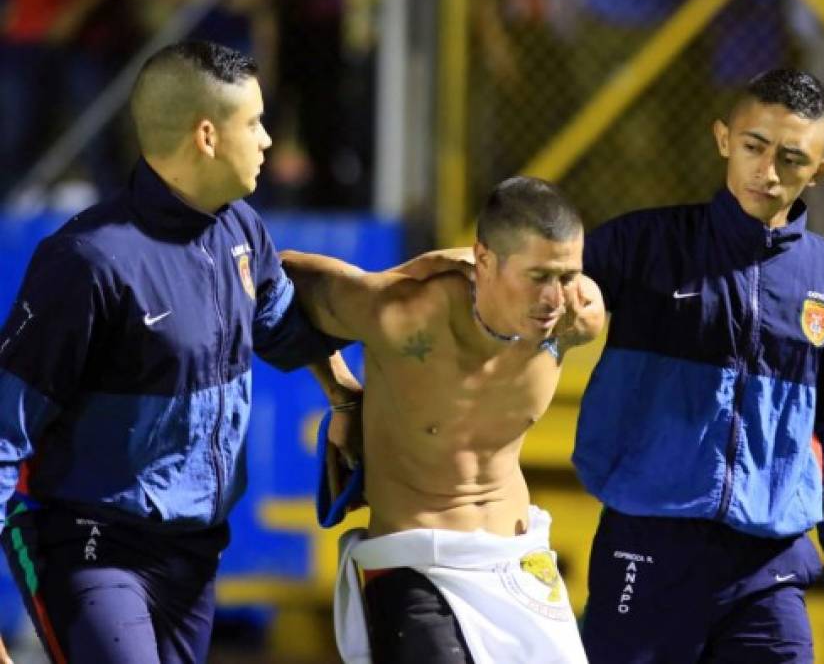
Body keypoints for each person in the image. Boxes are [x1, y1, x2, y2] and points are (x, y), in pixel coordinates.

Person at [0, 41, 361, 664]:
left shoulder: (242, 230)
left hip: (194, 558)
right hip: (90, 548)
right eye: (254, 123)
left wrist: (346, 385)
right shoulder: (86, 262)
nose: (269, 140)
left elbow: (285, 330)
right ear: (206, 136)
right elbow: (4, 437)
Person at [574, 68, 824, 664]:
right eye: (753, 147)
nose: (767, 172)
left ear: (820, 172)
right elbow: (530, 284)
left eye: (792, 159)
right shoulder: (646, 243)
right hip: (646, 547)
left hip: (770, 571)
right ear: (723, 138)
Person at [282, 176, 606, 664]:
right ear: (486, 260)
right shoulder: (406, 315)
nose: (555, 298)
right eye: (538, 277)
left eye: (567, 275)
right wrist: (340, 390)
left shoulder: (576, 321)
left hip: (517, 560)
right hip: (415, 563)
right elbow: (275, 276)